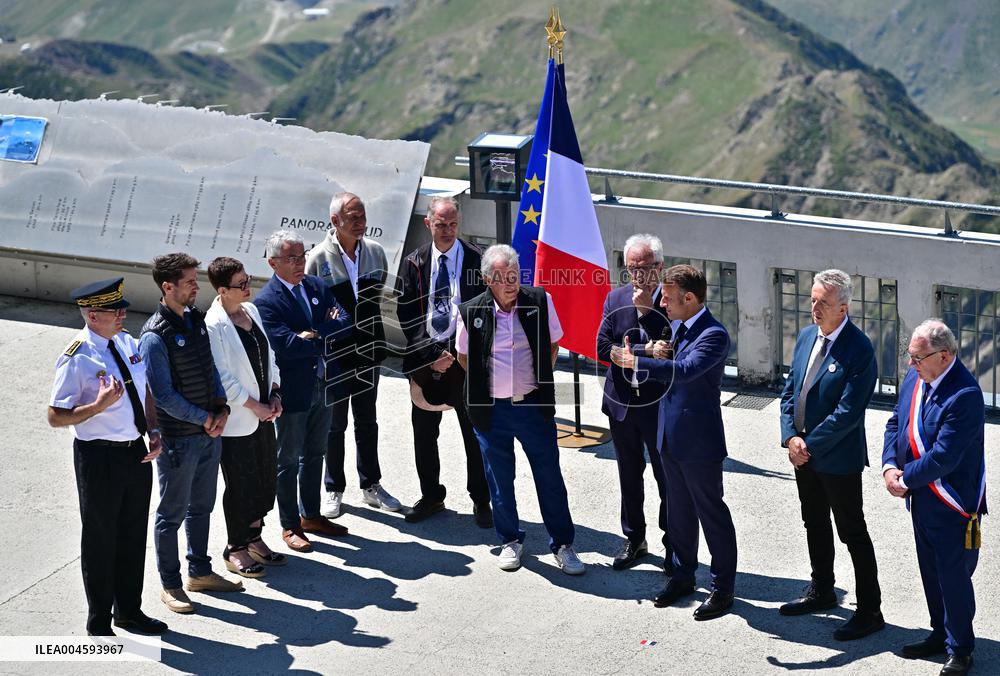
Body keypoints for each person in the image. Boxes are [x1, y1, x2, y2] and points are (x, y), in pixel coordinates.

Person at [612, 264, 737, 620]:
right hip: (668, 436)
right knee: (679, 513)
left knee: (711, 515)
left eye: (667, 298)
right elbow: (664, 354)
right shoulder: (679, 328)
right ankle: (683, 575)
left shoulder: (713, 334)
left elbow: (684, 371)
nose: (662, 305)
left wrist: (637, 360)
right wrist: (640, 350)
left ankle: (722, 587)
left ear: (689, 298)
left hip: (699, 442)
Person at [48, 277, 167, 636]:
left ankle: (129, 610)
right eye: (115, 309)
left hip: (135, 453)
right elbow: (56, 415)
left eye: (122, 307)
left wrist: (153, 429)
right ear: (92, 315)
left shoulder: (128, 342)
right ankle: (99, 620)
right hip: (98, 457)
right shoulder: (77, 356)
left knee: (132, 535)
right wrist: (97, 406)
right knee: (100, 538)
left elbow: (143, 389)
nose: (123, 313)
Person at [455, 244, 584, 575]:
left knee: (549, 475)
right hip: (491, 410)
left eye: (513, 275)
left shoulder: (540, 301)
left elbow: (553, 346)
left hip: (531, 405)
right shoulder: (470, 311)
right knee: (499, 478)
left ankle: (563, 545)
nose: (510, 283)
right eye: (501, 277)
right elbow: (464, 357)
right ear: (487, 280)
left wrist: (534, 381)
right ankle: (510, 539)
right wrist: (493, 387)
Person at [778, 269, 884, 641]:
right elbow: (790, 390)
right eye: (812, 299)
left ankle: (870, 610)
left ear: (844, 306)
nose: (814, 307)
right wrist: (790, 437)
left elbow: (848, 412)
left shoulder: (859, 349)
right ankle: (822, 588)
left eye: (822, 302)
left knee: (852, 530)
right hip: (803, 453)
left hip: (836, 458)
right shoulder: (808, 336)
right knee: (815, 523)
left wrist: (809, 444)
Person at [139, 253, 243, 615]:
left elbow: (211, 369)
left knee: (202, 507)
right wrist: (203, 419)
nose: (197, 286)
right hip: (180, 440)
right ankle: (170, 584)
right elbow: (163, 395)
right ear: (168, 287)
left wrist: (222, 409)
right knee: (172, 513)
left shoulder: (197, 320)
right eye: (189, 281)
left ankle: (199, 571)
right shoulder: (154, 336)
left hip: (207, 432)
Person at [883, 320, 986, 676]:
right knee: (929, 571)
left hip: (952, 502)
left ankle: (961, 648)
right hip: (921, 497)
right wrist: (888, 467)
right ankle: (939, 632)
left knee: (952, 576)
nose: (910, 365)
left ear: (944, 356)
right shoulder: (917, 377)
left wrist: (904, 479)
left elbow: (945, 456)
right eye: (909, 357)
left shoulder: (966, 394)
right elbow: (895, 422)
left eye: (917, 358)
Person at [395, 196, 491, 526]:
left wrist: (460, 352)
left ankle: (481, 499)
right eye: (441, 224)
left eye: (452, 224)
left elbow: (487, 313)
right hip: (426, 361)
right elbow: (406, 315)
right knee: (424, 433)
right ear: (428, 223)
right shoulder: (414, 263)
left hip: (466, 362)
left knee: (475, 434)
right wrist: (432, 356)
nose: (447, 230)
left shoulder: (479, 260)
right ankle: (432, 496)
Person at [256, 230, 353, 552]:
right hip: (294, 391)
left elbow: (346, 321)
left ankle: (311, 514)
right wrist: (318, 335)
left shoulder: (316, 286)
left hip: (325, 383)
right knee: (288, 458)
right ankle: (290, 524)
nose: (300, 263)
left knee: (316, 453)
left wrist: (313, 333)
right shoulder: (266, 302)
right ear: (273, 263)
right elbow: (285, 346)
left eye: (302, 256)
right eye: (291, 258)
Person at [305, 191, 401, 518]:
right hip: (334, 355)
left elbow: (376, 300)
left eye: (363, 216)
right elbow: (311, 309)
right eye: (353, 217)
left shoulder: (375, 253)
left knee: (367, 420)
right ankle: (333, 488)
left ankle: (370, 484)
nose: (361, 222)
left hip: (368, 351)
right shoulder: (318, 258)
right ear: (335, 221)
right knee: (334, 424)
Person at [205, 257, 286, 578]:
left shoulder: (250, 311)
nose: (247, 287)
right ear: (222, 290)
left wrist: (276, 393)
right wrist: (257, 406)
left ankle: (254, 537)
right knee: (240, 484)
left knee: (265, 479)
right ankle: (235, 547)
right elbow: (224, 378)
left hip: (265, 413)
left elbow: (270, 356)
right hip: (240, 421)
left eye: (247, 279)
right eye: (240, 284)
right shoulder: (214, 325)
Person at [596, 234, 672, 571]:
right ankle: (634, 538)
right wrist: (624, 353)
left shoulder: (673, 301)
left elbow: (669, 347)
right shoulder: (615, 299)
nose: (638, 276)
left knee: (666, 476)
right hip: (623, 403)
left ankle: (674, 544)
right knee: (629, 473)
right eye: (632, 269)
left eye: (644, 269)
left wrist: (648, 313)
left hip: (658, 405)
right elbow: (601, 346)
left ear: (660, 267)